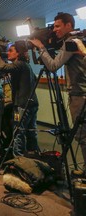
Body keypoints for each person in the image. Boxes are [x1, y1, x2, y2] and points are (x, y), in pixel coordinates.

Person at [30, 12, 86, 174]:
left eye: (57, 26)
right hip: (80, 93)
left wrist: (41, 48)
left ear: (69, 25)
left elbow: (54, 65)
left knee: (82, 136)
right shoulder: (77, 40)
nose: (54, 30)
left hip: (79, 96)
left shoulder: (71, 42)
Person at [0, 44, 39, 156]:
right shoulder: (26, 65)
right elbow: (35, 78)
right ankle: (33, 153)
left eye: (11, 51)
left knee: (18, 131)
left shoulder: (19, 64)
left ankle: (18, 158)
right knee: (31, 131)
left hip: (22, 104)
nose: (8, 53)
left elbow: (3, 67)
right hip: (32, 103)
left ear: (18, 53)